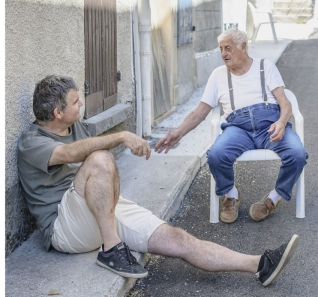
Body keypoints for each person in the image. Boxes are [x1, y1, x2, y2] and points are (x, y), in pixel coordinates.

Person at [17, 75, 299, 285]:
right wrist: (121, 136)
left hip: (93, 212)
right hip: (65, 228)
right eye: (76, 102)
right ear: (57, 113)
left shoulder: (72, 124)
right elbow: (68, 153)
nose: (81, 104)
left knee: (178, 238)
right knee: (100, 158)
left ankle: (259, 265)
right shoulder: (32, 142)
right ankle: (112, 249)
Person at [155, 28, 308, 225]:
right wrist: (178, 133)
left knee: (297, 154)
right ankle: (231, 195)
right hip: (238, 129)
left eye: (228, 48)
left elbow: (285, 104)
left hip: (270, 127)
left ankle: (273, 199)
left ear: (243, 47)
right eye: (221, 49)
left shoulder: (265, 67)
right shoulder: (218, 76)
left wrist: (280, 122)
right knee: (216, 154)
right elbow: (200, 112)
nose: (223, 54)